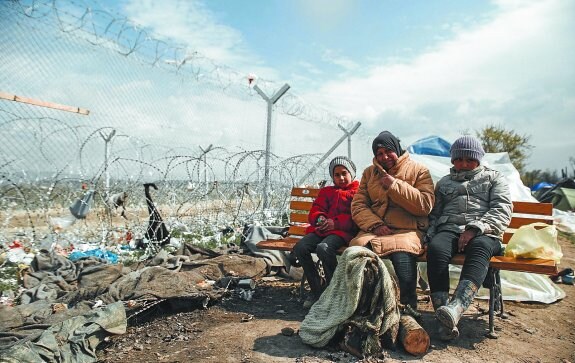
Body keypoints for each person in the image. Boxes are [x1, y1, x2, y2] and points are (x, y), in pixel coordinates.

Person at [426, 135, 512, 340]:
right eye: (459, 159)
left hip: (485, 232)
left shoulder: (494, 178)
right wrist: (429, 235)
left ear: (478, 159)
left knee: (480, 248)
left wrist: (475, 229)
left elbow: (502, 209)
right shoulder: (444, 182)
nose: (464, 164)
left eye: (469, 159)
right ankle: (443, 316)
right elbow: (434, 213)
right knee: (437, 249)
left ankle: (456, 309)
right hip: (449, 228)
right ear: (453, 160)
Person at [350, 131, 434, 315]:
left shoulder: (419, 170)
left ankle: (408, 310)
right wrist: (375, 225)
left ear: (397, 148)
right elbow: (358, 205)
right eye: (379, 154)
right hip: (375, 230)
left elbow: (425, 205)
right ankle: (365, 309)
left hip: (407, 231)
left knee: (402, 261)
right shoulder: (369, 173)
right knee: (356, 258)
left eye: (388, 151)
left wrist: (394, 185)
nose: (384, 157)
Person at [293, 156, 360, 307]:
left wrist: (335, 224)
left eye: (344, 173)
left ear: (352, 173)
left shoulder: (358, 193)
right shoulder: (327, 192)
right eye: (337, 175)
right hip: (321, 230)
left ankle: (335, 289)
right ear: (332, 177)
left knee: (323, 248)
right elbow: (316, 209)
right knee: (300, 247)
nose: (341, 177)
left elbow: (357, 217)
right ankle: (317, 290)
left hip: (342, 233)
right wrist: (320, 219)